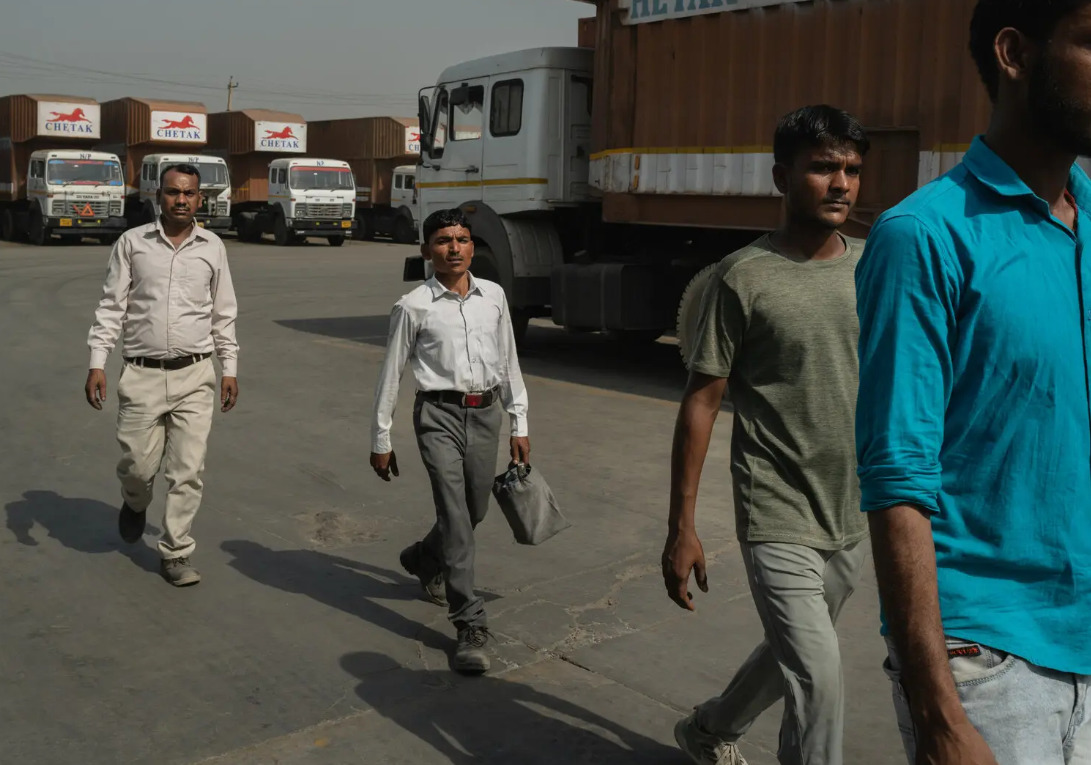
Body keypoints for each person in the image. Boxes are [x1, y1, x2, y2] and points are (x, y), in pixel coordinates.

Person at [856, 2, 1091, 763]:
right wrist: (937, 711)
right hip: (989, 662)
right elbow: (896, 478)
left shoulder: (1086, 218)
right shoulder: (923, 237)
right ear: (1013, 54)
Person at [663, 105, 871, 765]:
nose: (839, 183)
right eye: (821, 168)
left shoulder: (874, 264)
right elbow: (701, 400)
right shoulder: (741, 277)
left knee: (799, 658)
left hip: (852, 508)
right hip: (775, 506)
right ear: (781, 175)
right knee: (820, 676)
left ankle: (707, 729)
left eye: (851, 170)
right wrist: (681, 525)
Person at [370, 208, 529, 674]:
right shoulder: (413, 305)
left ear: (472, 246)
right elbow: (390, 374)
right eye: (443, 241)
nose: (453, 248)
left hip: (487, 414)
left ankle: (423, 557)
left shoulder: (493, 297)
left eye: (461, 239)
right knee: (457, 518)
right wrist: (382, 437)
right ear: (427, 251)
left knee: (475, 509)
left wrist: (520, 422)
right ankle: (468, 624)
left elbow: (509, 362)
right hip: (437, 415)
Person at [85, 163, 238, 587]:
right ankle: (135, 502)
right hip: (142, 375)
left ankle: (175, 552)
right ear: (159, 196)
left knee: (188, 470)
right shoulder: (132, 244)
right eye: (173, 192)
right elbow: (111, 308)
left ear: (200, 199)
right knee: (137, 466)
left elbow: (223, 313)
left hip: (195, 374)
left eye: (189, 193)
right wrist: (97, 362)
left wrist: (230, 368)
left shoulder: (212, 247)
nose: (182, 200)